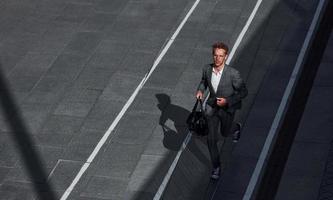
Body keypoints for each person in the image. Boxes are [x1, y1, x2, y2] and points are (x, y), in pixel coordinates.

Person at [196, 42, 248, 179]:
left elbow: (243, 92)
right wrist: (200, 90)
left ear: (226, 57)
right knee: (211, 140)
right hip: (212, 108)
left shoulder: (233, 74)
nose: (218, 59)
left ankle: (235, 128)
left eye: (221, 56)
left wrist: (228, 101)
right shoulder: (207, 69)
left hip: (227, 109)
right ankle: (216, 167)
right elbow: (204, 82)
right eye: (215, 55)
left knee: (225, 133)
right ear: (212, 55)